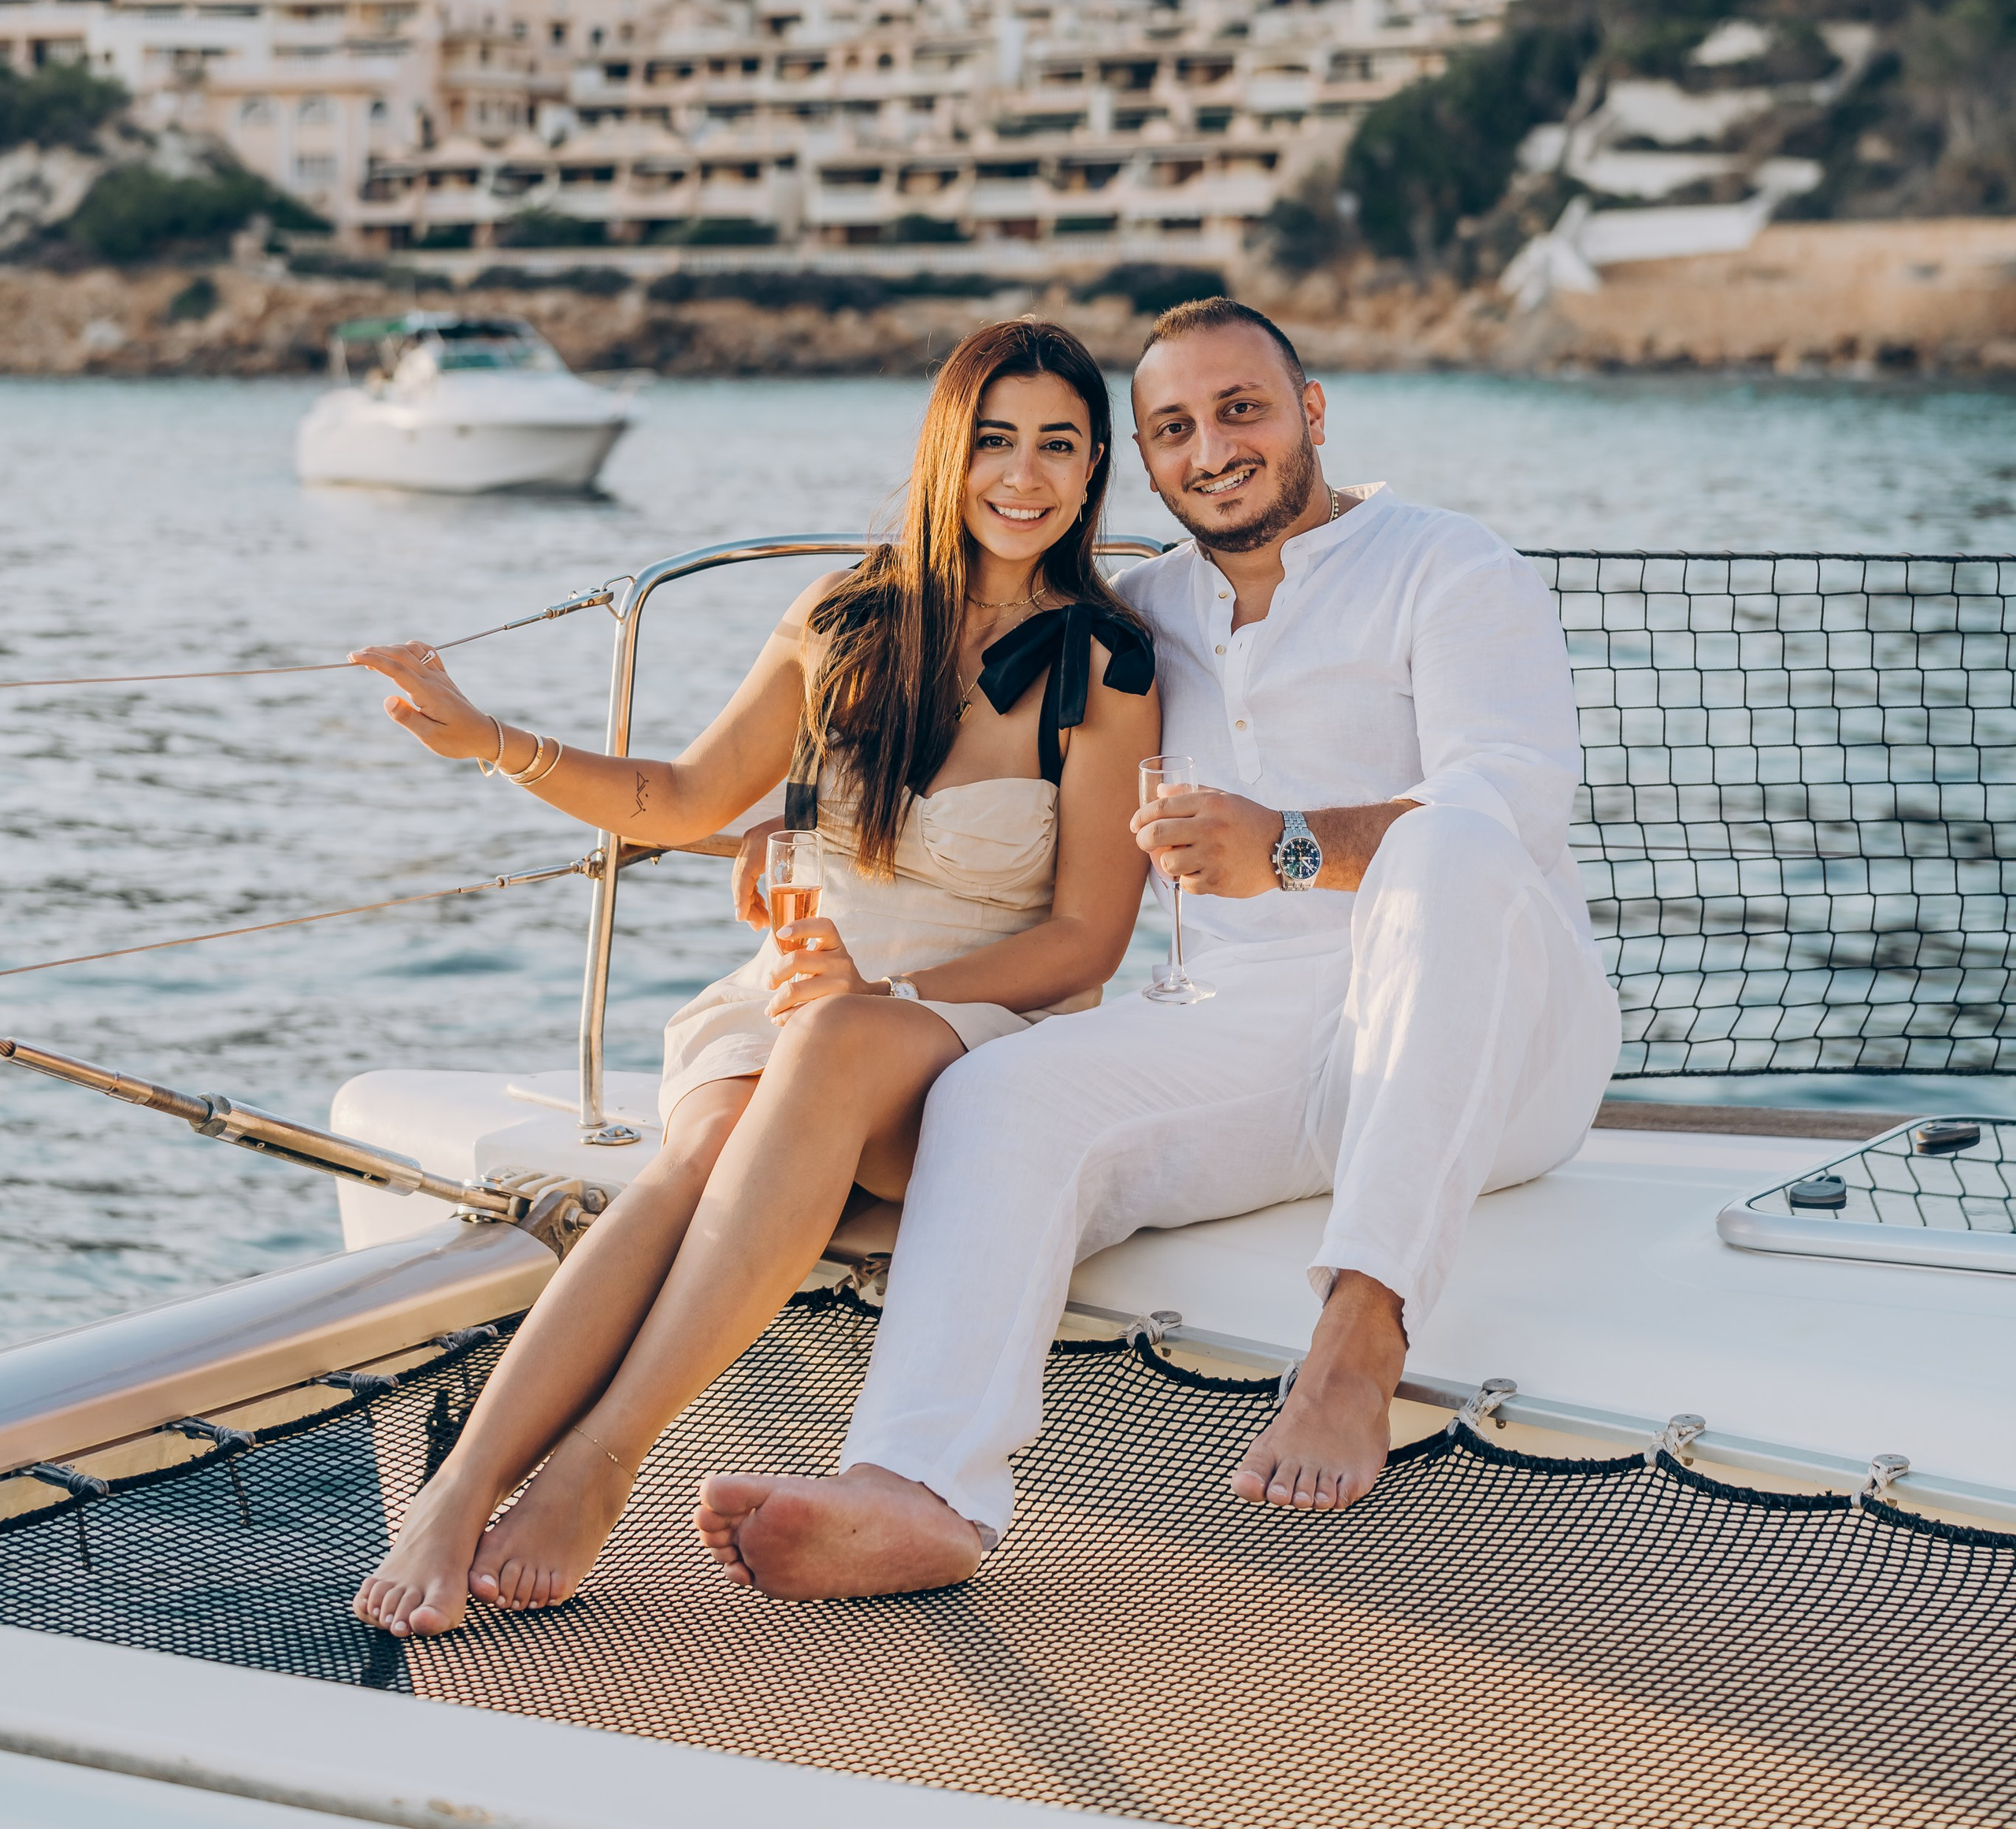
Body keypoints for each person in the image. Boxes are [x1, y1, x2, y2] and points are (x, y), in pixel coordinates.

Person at [692, 294, 1621, 1601]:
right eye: (1172, 427)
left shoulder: (1450, 567)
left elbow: (1514, 803)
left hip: (1501, 1037)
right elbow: (954, 741)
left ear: (1309, 412)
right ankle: (918, 1488)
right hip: (1253, 1023)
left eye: (1242, 409)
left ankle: (1359, 1337)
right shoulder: (1136, 619)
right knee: (1000, 1093)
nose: (1213, 448)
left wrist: (1289, 844)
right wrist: (793, 821)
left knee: (1453, 843)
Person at [344, 315, 1158, 1638]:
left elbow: (1088, 941)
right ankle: (461, 1491)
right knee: (707, 1136)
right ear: (946, 451)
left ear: (1095, 468)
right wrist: (489, 739)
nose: (1025, 475)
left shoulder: (1107, 667)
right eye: (995, 440)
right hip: (797, 1003)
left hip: (978, 1029)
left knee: (828, 1041)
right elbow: (677, 795)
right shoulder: (845, 617)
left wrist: (877, 1004)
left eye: (1060, 446)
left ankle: (603, 1465)